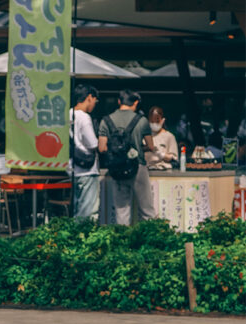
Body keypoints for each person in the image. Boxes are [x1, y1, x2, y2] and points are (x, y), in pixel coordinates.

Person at [98, 90, 155, 225]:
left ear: (119, 102)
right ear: (135, 102)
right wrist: (137, 148)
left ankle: (122, 242)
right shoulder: (142, 121)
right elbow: (151, 146)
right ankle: (151, 240)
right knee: (146, 209)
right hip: (138, 166)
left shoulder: (106, 120)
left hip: (116, 168)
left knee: (122, 210)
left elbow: (102, 148)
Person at [70, 84, 99, 219]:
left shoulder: (68, 114)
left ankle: (74, 236)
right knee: (88, 211)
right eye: (94, 100)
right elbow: (93, 144)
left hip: (72, 167)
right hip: (87, 169)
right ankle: (84, 237)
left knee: (76, 208)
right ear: (89, 97)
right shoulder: (84, 117)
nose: (94, 104)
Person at [145, 107, 179, 171]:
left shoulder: (169, 136)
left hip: (163, 170)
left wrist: (161, 154)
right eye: (152, 121)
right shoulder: (144, 135)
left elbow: (174, 159)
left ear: (162, 120)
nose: (154, 123)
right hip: (147, 169)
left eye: (157, 121)